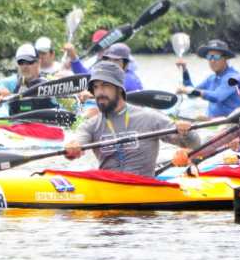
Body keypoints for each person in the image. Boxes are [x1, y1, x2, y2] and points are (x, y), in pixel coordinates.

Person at [64, 62, 199, 177]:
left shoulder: (150, 118)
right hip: (107, 188)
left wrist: (186, 131)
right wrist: (72, 148)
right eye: (95, 87)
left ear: (119, 89)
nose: (99, 92)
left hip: (144, 188)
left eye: (105, 85)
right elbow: (76, 147)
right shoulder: (90, 125)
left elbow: (195, 144)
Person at [175, 39, 240, 118]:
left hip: (230, 124)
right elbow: (192, 95)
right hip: (212, 123)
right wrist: (184, 70)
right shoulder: (211, 79)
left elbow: (217, 97)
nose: (212, 61)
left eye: (216, 57)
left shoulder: (233, 78)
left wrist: (188, 90)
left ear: (225, 58)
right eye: (209, 57)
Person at [0, 43, 56, 115]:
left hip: (46, 124)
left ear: (38, 62)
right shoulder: (13, 82)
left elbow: (68, 103)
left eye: (29, 62)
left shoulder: (49, 80)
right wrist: (1, 89)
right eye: (21, 62)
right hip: (19, 124)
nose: (25, 66)